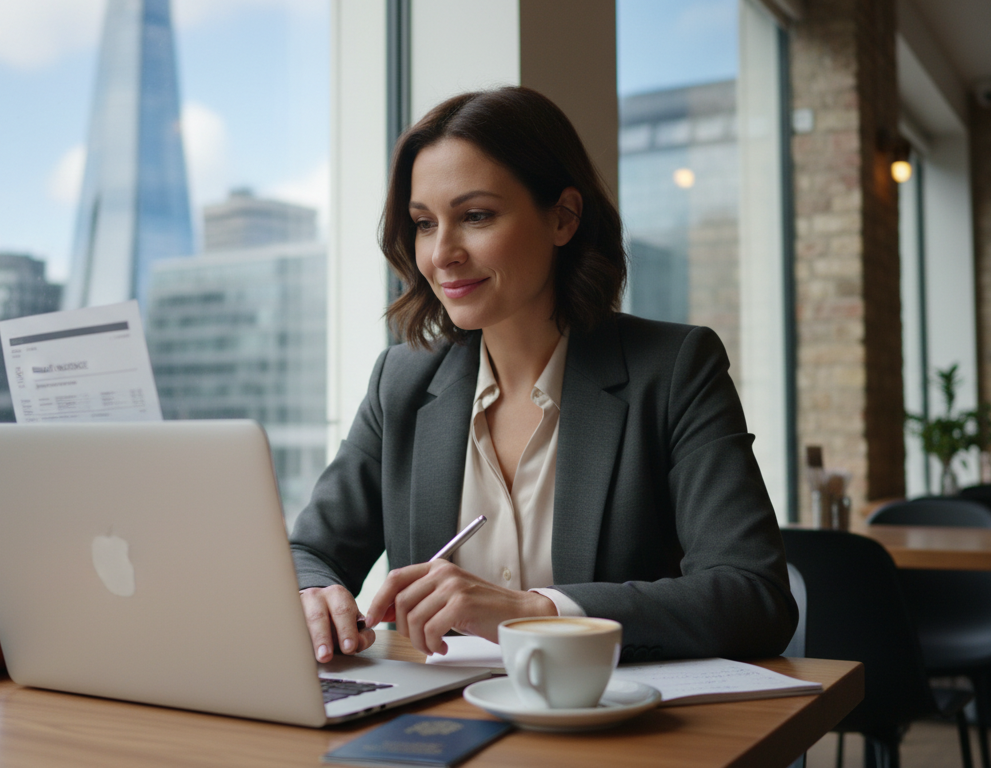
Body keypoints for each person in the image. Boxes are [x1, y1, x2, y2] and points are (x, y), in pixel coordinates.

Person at [291, 87, 796, 665]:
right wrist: (313, 593)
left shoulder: (676, 369)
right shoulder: (400, 382)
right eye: (425, 223)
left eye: (475, 216)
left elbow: (754, 597)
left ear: (563, 217)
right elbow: (308, 550)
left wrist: (537, 612)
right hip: (439, 732)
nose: (441, 253)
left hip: (614, 732)